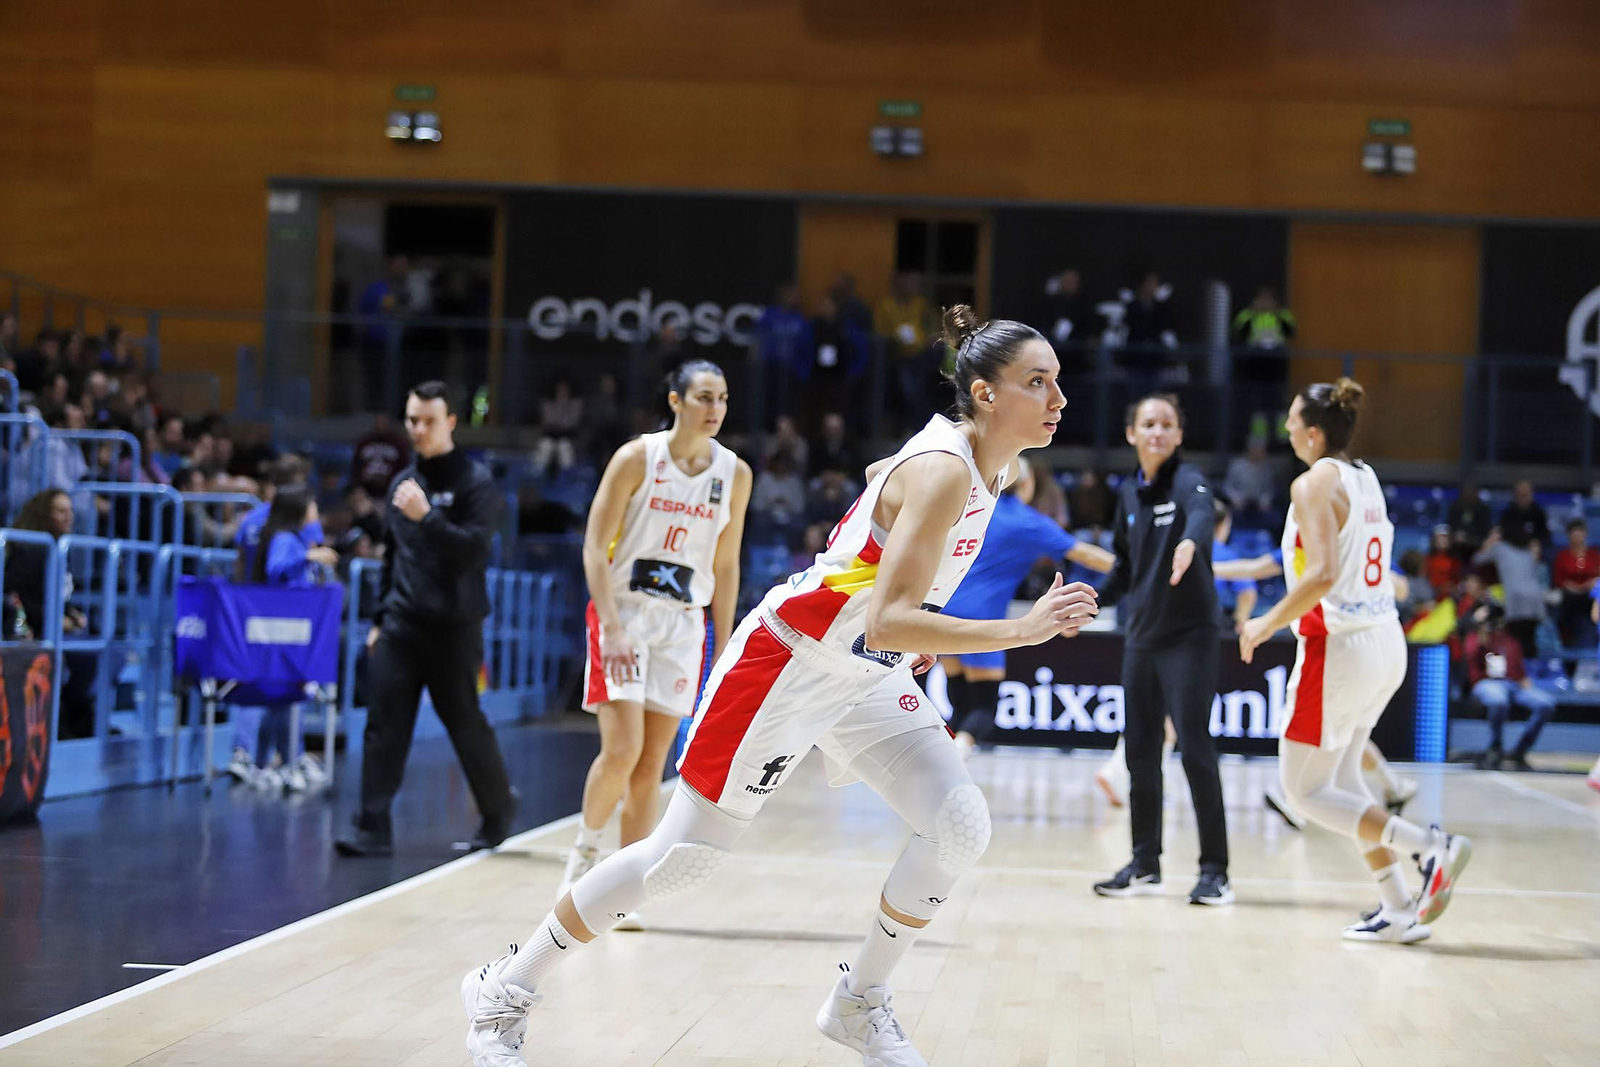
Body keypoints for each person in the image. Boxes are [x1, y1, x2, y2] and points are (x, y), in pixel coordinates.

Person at [459, 307, 1098, 1067]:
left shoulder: (986, 465)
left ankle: (857, 1002)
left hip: (862, 673)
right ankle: (503, 988)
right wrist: (1018, 629)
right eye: (1038, 382)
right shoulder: (945, 470)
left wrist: (898, 589)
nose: (1060, 399)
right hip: (788, 662)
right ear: (986, 395)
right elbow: (892, 617)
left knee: (959, 825)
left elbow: (875, 488)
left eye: (1057, 381)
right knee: (679, 860)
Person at [1239, 378, 1471, 944]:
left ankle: (1430, 847)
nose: (1287, 428)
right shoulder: (1365, 476)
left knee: (1302, 793)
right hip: (1383, 641)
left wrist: (1264, 623)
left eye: (1293, 421)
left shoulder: (1312, 482)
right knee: (1345, 785)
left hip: (1336, 645)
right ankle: (1396, 906)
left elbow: (1319, 575)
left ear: (1314, 432)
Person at [558, 361, 753, 931]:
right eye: (703, 397)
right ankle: (582, 858)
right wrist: (612, 626)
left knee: (650, 766)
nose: (714, 408)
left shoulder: (733, 473)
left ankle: (618, 891)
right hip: (625, 614)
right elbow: (595, 548)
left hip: (684, 625)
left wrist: (720, 642)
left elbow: (726, 562)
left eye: (722, 398)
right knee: (621, 750)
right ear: (675, 400)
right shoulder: (636, 459)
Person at [336, 381, 517, 857]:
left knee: (464, 722)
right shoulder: (402, 485)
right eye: (412, 420)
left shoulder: (475, 484)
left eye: (428, 421)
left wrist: (427, 518)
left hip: (455, 629)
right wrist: (378, 620)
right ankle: (371, 826)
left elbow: (473, 551)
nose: (418, 429)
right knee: (384, 724)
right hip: (401, 625)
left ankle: (498, 808)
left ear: (451, 423)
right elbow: (392, 559)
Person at [1091, 394, 1233, 906]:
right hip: (1141, 639)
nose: (1157, 431)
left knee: (1195, 749)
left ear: (1177, 435)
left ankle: (1215, 870)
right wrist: (1089, 602)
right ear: (1132, 433)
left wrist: (1193, 543)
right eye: (1148, 423)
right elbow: (1125, 569)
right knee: (1140, 754)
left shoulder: (1187, 478)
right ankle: (1144, 863)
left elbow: (1200, 511)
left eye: (1167, 424)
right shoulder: (1128, 494)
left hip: (1189, 637)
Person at [1212, 548, 1418, 817]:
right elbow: (1259, 565)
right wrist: (1213, 568)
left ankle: (1298, 799)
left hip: (1355, 649)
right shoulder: (1306, 535)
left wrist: (1366, 572)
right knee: (1343, 741)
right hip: (1354, 649)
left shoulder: (1355, 539)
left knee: (1334, 738)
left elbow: (1401, 589)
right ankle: (1393, 789)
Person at [939, 456, 1115, 758]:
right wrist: (1138, 570)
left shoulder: (974, 510)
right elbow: (1085, 554)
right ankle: (958, 752)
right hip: (982, 619)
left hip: (942, 612)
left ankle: (944, 757)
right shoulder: (1029, 522)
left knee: (959, 700)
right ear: (1027, 483)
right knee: (983, 706)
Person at [237, 485, 340, 793]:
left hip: (293, 628)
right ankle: (264, 759)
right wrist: (310, 556)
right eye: (312, 504)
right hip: (282, 630)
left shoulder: (292, 538)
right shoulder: (285, 540)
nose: (316, 511)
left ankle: (275, 761)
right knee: (277, 696)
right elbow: (276, 569)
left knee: (282, 698)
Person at [5, 490, 98, 739]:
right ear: (44, 515)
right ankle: (63, 727)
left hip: (52, 628)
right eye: (60, 511)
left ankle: (77, 724)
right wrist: (55, 619)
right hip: (33, 630)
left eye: (70, 511)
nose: (69, 517)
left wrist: (72, 614)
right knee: (82, 661)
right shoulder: (31, 549)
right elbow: (16, 596)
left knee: (102, 652)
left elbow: (56, 594)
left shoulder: (59, 549)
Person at [1463, 605, 1555, 771]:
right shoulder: (1476, 637)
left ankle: (1520, 749)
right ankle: (1495, 746)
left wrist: (1524, 679)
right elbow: (1470, 656)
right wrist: (1478, 627)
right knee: (1498, 700)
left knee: (1545, 703)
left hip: (1514, 684)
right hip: (1487, 682)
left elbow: (1518, 667)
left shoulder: (1510, 640)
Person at [1553, 519, 1599, 648]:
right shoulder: (1563, 556)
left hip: (1591, 596)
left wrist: (1590, 584)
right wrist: (1574, 587)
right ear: (1569, 536)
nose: (1578, 538)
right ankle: (1569, 642)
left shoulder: (1594, 555)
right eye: (1574, 535)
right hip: (1570, 597)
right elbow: (1559, 579)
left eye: (1580, 534)